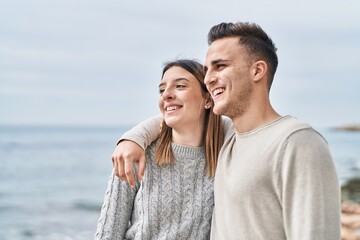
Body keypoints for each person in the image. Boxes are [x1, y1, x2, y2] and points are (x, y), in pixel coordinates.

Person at [112, 22, 341, 239]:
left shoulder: (296, 142)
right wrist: (133, 138)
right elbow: (181, 119)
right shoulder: (229, 141)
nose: (209, 78)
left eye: (220, 66)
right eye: (208, 69)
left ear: (257, 71)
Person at [95, 59, 230, 239]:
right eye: (162, 90)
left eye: (180, 86)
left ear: (207, 98)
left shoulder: (226, 155)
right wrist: (133, 138)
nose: (166, 95)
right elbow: (108, 232)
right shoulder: (137, 154)